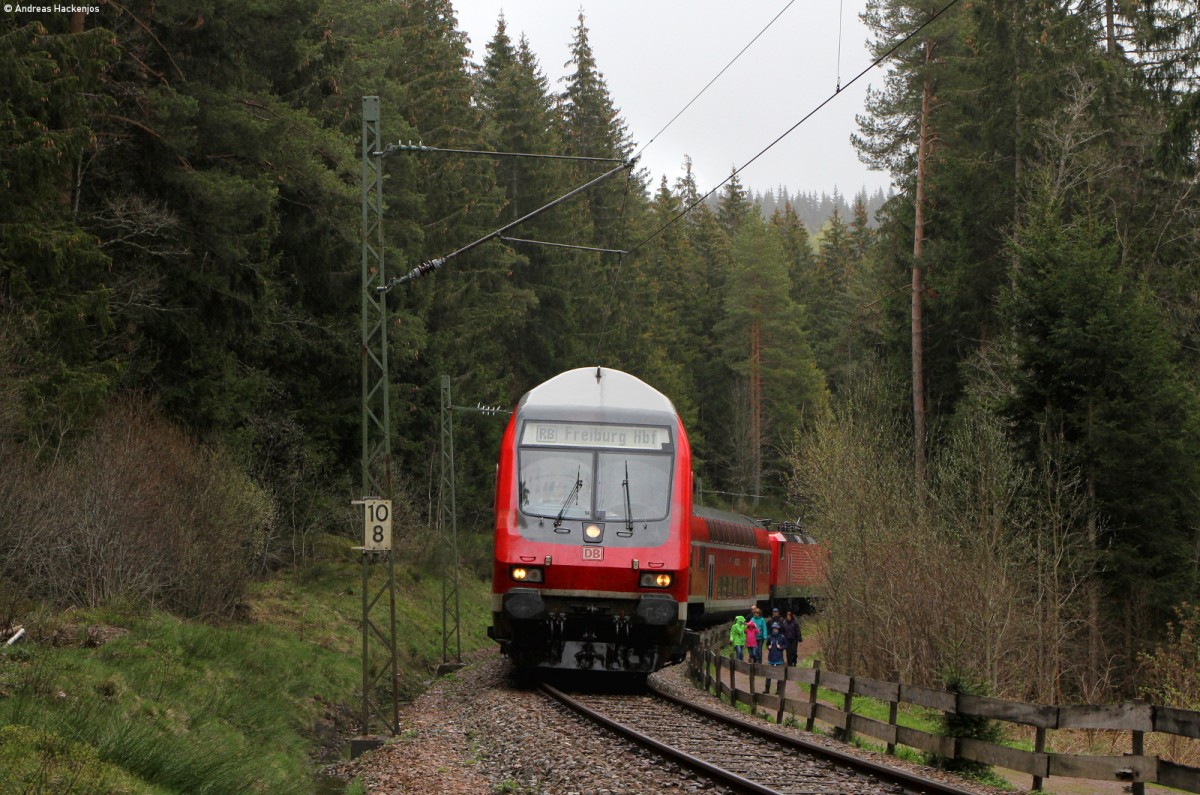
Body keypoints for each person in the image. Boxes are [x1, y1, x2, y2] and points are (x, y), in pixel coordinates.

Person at [765, 622, 787, 691]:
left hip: (779, 658)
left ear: (778, 629)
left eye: (776, 629)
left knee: (779, 674)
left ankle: (778, 690)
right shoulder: (769, 637)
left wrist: (780, 647)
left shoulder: (782, 637)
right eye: (774, 628)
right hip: (771, 658)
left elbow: (786, 645)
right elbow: (767, 645)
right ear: (772, 629)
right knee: (769, 674)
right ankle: (767, 689)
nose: (775, 630)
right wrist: (769, 647)